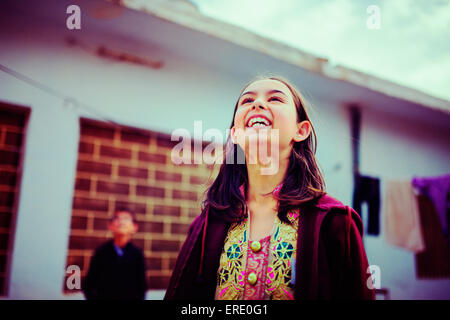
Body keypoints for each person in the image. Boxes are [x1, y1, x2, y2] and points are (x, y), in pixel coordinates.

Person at [165, 75, 375, 300]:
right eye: (247, 101)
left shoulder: (336, 222)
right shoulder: (207, 225)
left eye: (275, 98)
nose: (258, 104)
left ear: (301, 131)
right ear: (235, 135)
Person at [83, 208, 147, 300]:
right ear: (110, 225)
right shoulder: (101, 252)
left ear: (134, 227)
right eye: (117, 218)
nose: (121, 222)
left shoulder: (137, 254)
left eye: (126, 218)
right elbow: (89, 284)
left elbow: (141, 287)